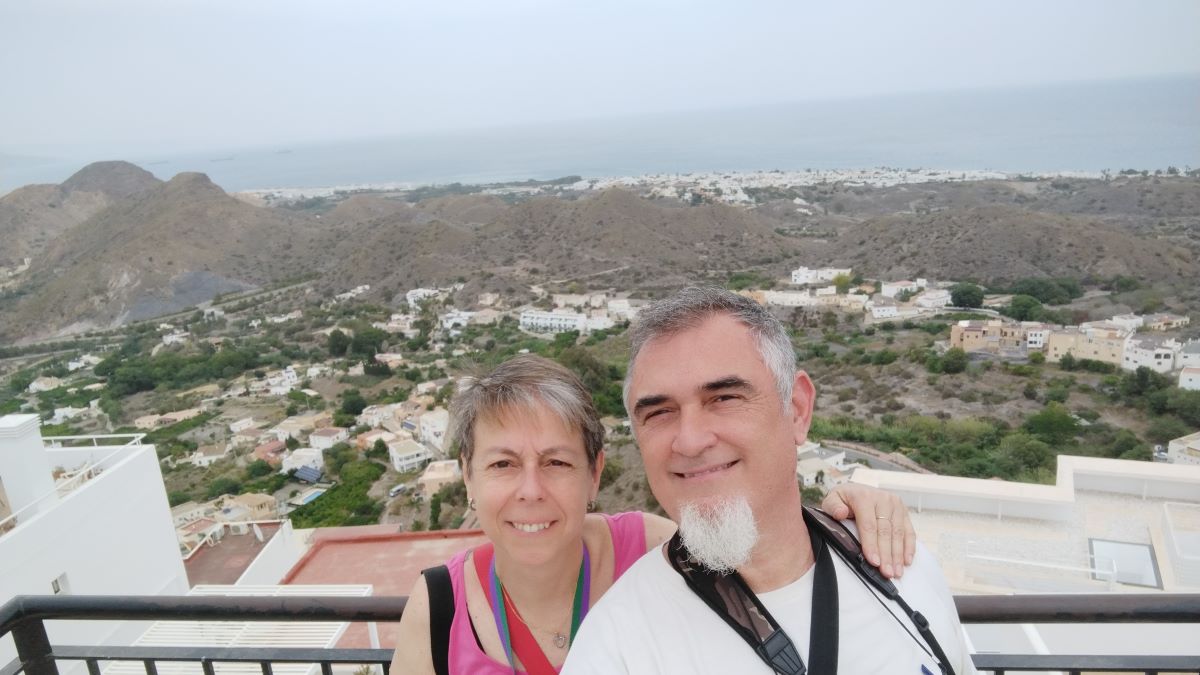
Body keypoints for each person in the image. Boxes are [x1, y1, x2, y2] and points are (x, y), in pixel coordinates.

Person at [391, 354, 917, 675]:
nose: (530, 491)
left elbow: (763, 545)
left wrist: (842, 512)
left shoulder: (651, 550)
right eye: (503, 464)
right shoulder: (439, 607)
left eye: (557, 463)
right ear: (468, 476)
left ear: (595, 474)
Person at [562, 287, 978, 674]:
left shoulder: (904, 569)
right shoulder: (616, 648)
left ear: (796, 409)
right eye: (659, 413)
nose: (689, 440)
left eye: (724, 398)